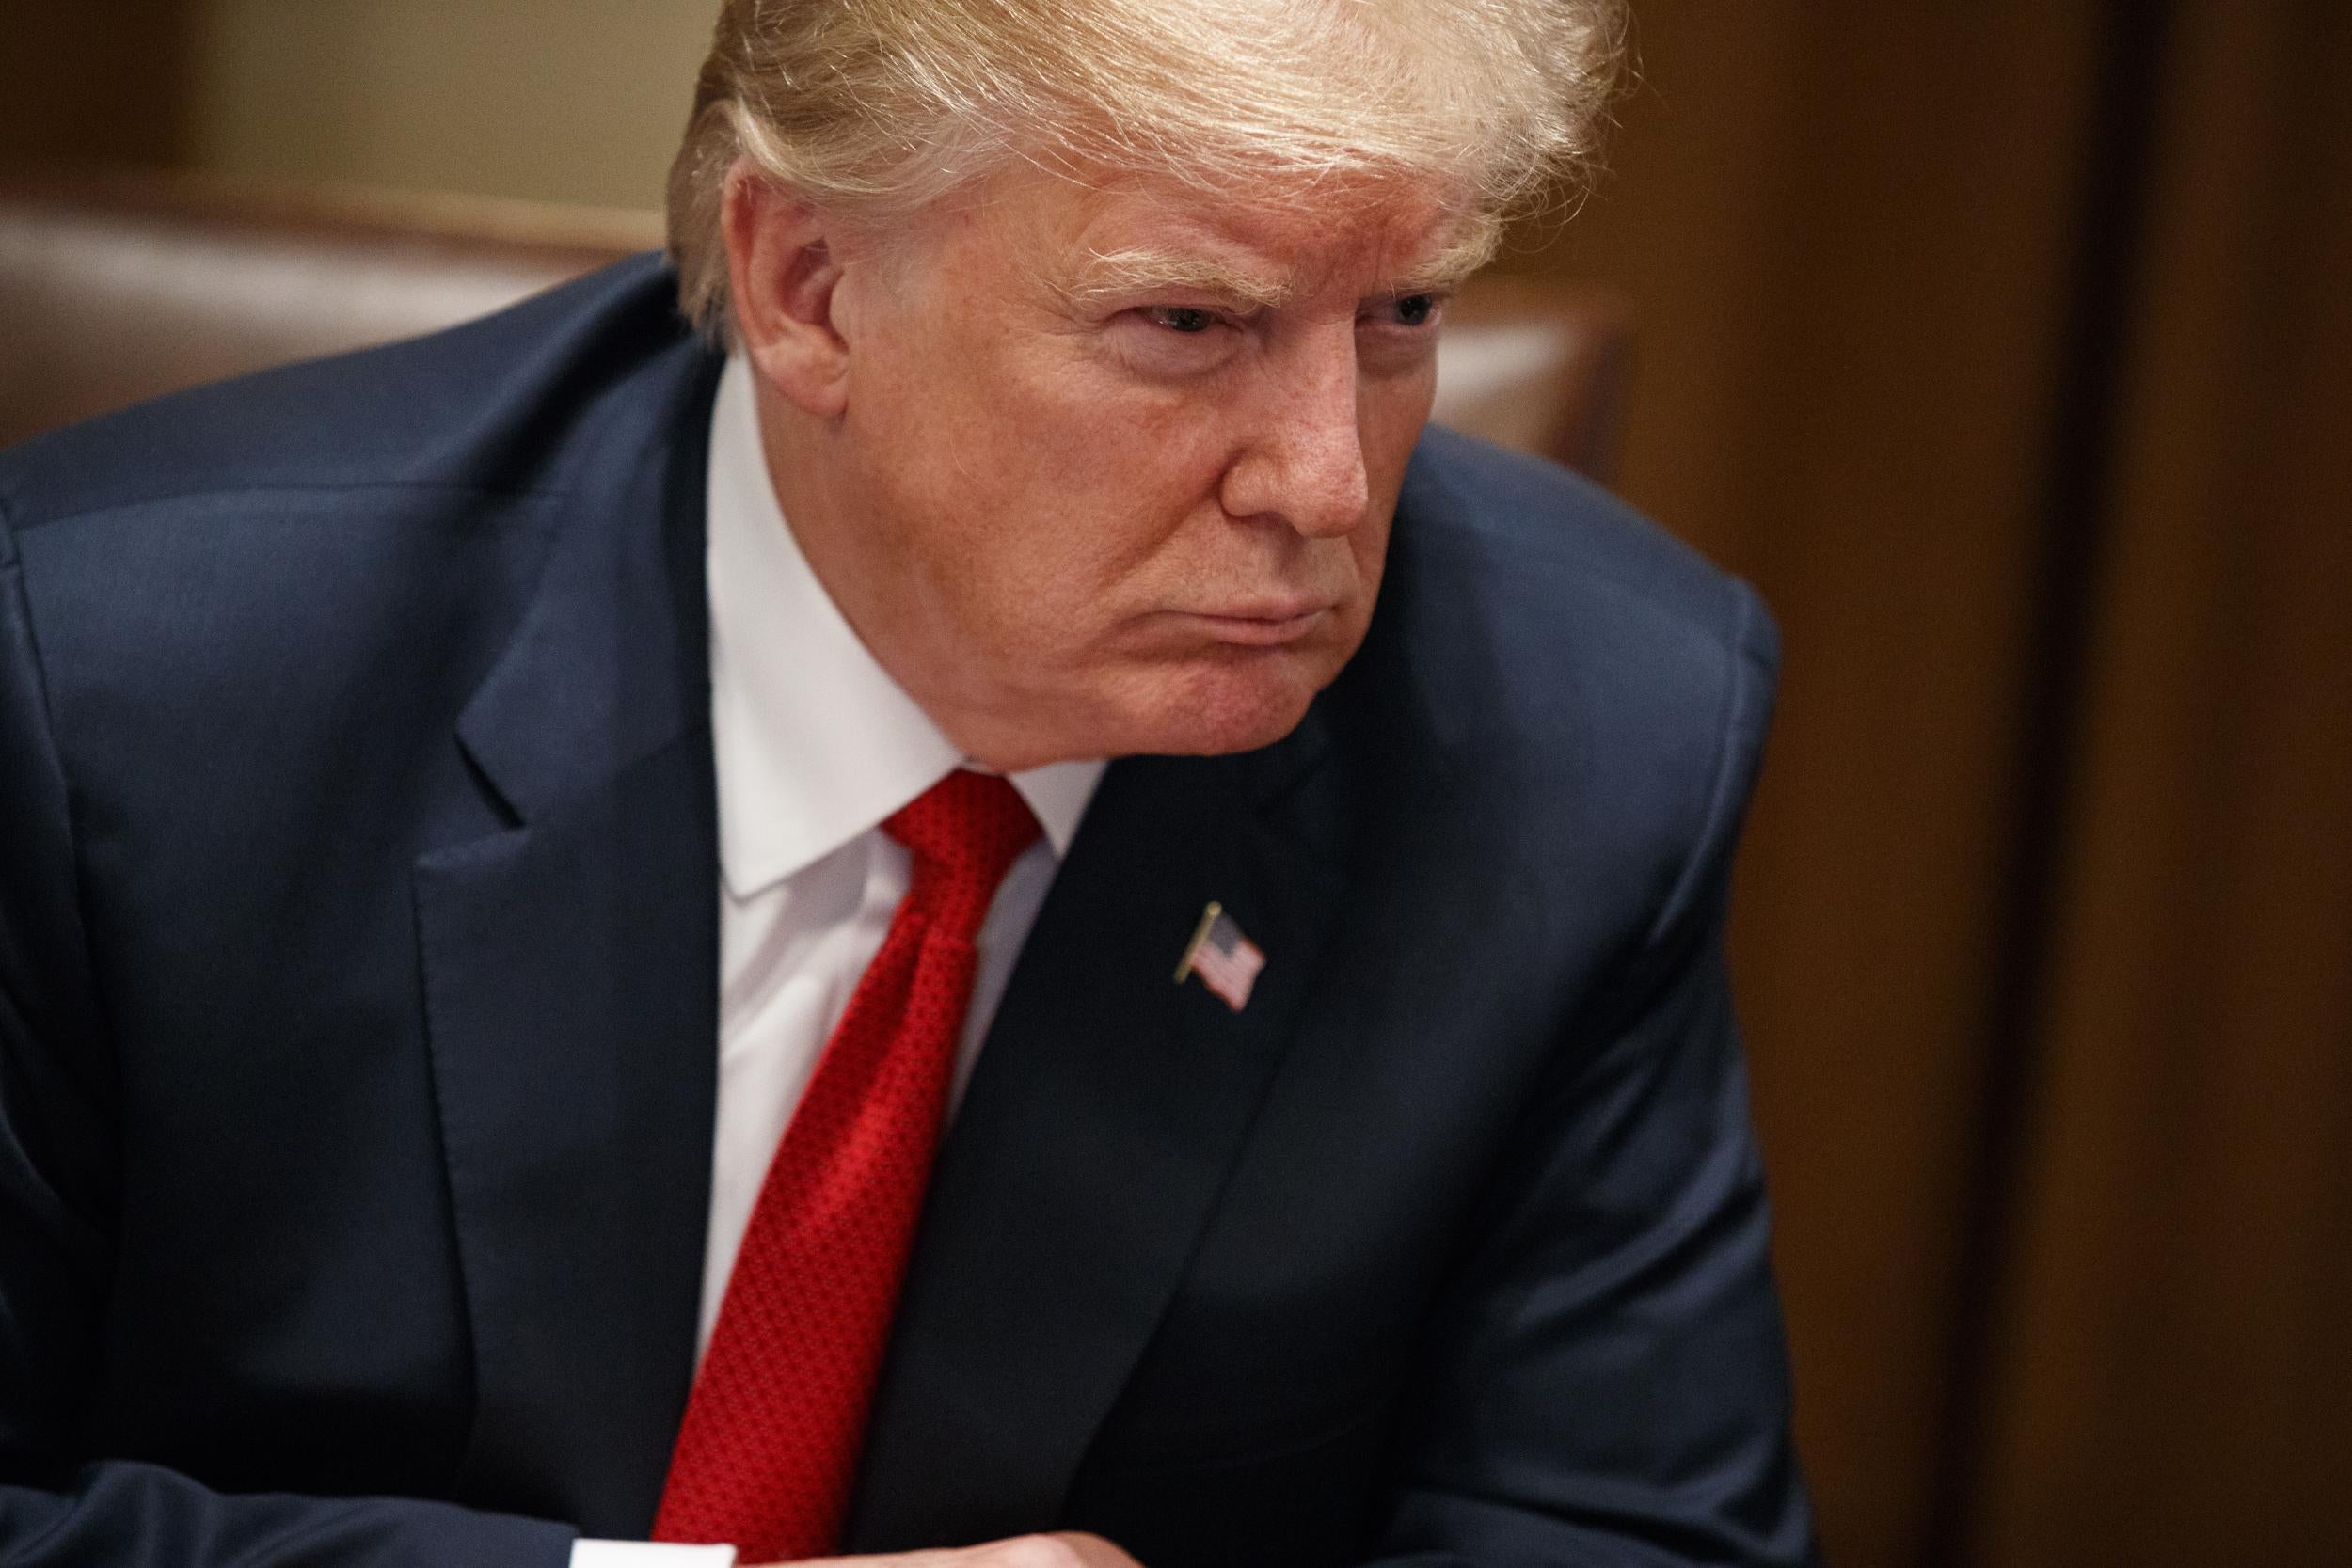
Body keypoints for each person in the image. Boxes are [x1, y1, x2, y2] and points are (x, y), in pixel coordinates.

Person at [0, 0, 1818, 1564]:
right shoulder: (124, 689)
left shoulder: (1592, 747)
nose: (1330, 487)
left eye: (1403, 310)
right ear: (809, 288)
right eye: (1187, 324)